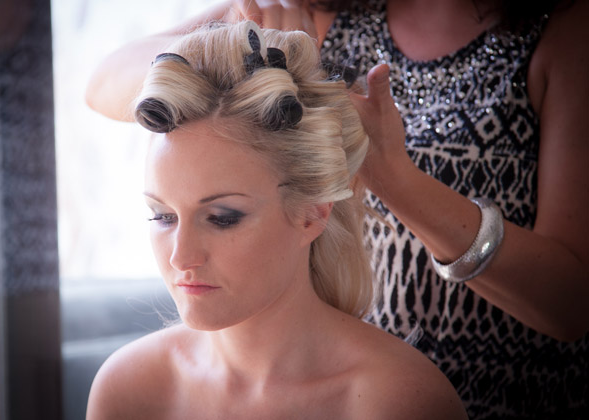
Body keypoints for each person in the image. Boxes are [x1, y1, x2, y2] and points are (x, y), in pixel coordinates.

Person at [85, 1, 589, 418]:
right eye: (161, 216)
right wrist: (231, 58)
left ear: (313, 211)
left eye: (223, 217)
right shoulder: (319, 10)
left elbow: (572, 303)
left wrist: (395, 179)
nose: (180, 257)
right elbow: (104, 81)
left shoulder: (562, 33)